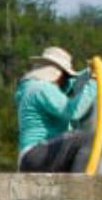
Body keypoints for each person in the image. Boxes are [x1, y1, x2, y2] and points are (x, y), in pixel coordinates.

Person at [16, 43, 96, 172]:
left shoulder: (30, 87)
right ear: (58, 74)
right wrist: (94, 82)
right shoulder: (42, 88)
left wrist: (86, 75)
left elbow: (65, 90)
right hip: (38, 154)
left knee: (74, 145)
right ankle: (80, 186)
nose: (66, 81)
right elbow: (72, 111)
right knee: (88, 139)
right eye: (66, 76)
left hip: (31, 158)